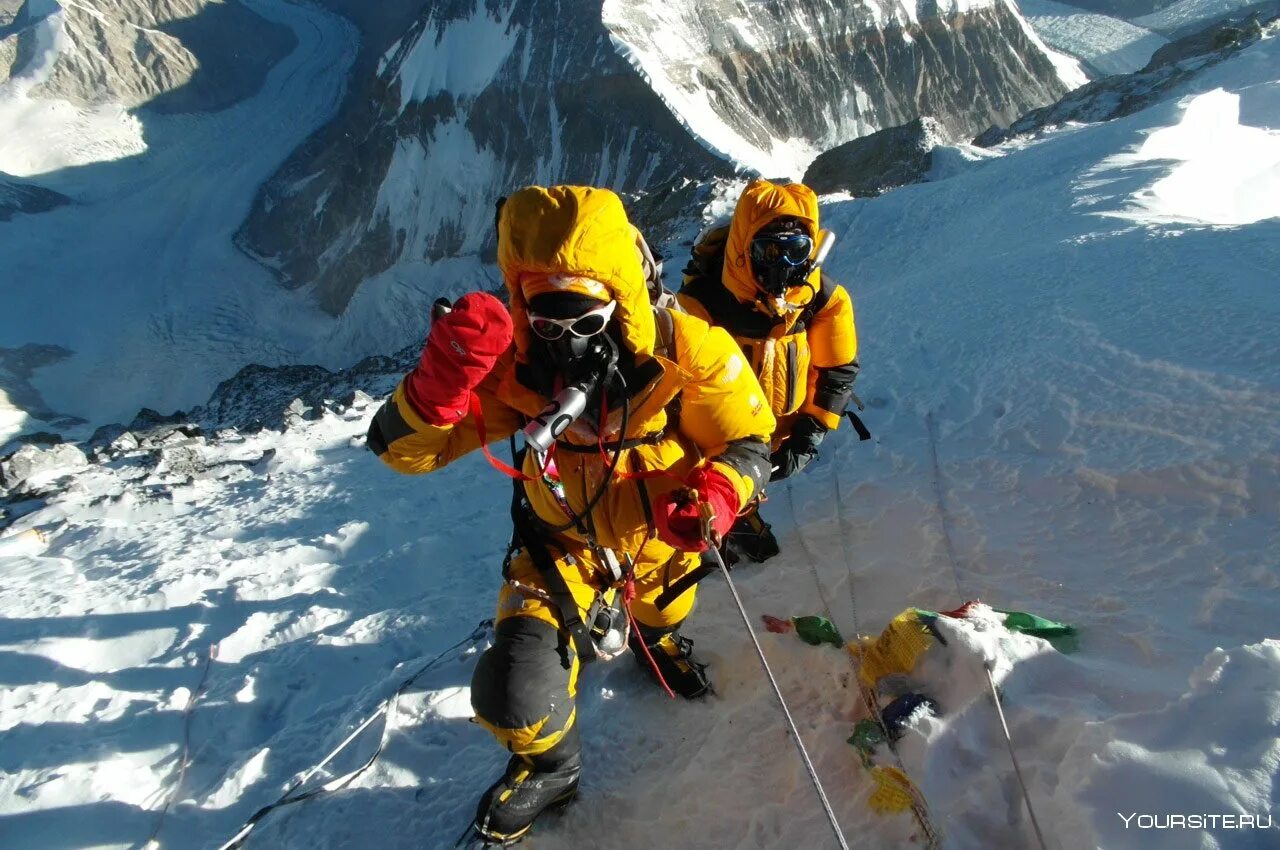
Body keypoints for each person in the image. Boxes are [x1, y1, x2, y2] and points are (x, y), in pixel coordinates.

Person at [366, 185, 775, 844]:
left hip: (661, 544)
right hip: (559, 552)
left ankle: (658, 642)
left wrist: (718, 497)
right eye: (549, 326)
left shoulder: (689, 351)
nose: (569, 346)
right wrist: (434, 391)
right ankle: (553, 768)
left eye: (587, 324)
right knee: (512, 689)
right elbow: (403, 452)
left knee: (662, 613)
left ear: (623, 307)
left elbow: (750, 441)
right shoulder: (519, 370)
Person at [678, 178, 860, 564]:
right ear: (744, 251)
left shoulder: (822, 300)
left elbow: (837, 369)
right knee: (717, 483)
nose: (782, 266)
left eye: (796, 252)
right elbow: (680, 386)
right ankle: (721, 522)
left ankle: (741, 510)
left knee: (752, 479)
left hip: (781, 430)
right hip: (719, 436)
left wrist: (809, 433)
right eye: (769, 251)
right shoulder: (702, 303)